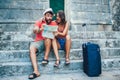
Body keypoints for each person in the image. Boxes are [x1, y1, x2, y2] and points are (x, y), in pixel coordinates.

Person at [28, 8, 57, 79]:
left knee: (47, 37)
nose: (49, 17)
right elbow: (35, 30)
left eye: (50, 16)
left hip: (48, 42)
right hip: (39, 41)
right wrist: (41, 28)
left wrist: (54, 33)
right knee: (32, 48)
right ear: (44, 16)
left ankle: (45, 58)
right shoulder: (39, 22)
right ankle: (36, 71)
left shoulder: (54, 23)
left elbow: (56, 34)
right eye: (48, 15)